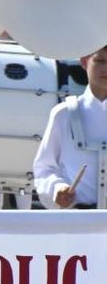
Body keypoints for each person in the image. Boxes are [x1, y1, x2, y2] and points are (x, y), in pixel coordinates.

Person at [33, 45, 107, 209]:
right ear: (84, 61)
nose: (105, 68)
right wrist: (57, 189)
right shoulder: (64, 113)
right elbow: (44, 169)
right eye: (100, 60)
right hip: (78, 222)